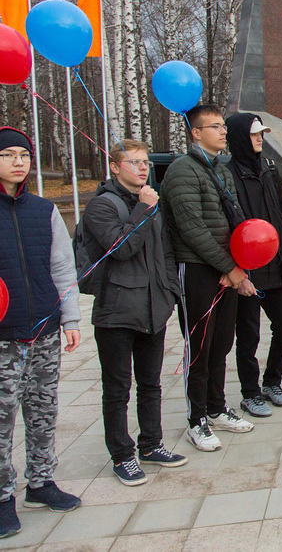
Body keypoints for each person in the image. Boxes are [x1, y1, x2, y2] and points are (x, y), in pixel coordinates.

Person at [82, 139, 187, 486]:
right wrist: (143, 209)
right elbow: (122, 249)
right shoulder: (102, 206)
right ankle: (122, 455)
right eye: (134, 162)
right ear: (115, 167)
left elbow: (166, 253)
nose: (143, 168)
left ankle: (151, 443)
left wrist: (170, 291)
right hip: (117, 312)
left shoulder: (152, 203)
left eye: (145, 162)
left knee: (151, 384)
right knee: (117, 389)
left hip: (154, 307)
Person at [0, 127, 82, 537]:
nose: (18, 161)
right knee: (1, 419)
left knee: (43, 410)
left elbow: (62, 268)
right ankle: (1, 497)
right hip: (3, 336)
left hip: (45, 329)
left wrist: (69, 319)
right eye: (9, 154)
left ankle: (41, 482)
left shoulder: (43, 211)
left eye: (24, 155)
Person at [160, 104, 254, 453]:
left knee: (221, 343)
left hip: (226, 269)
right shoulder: (183, 170)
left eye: (223, 127)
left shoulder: (221, 170)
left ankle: (216, 407)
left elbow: (232, 219)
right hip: (197, 268)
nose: (223, 132)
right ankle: (195, 419)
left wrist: (239, 267)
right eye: (214, 127)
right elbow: (192, 228)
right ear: (196, 133)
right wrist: (229, 267)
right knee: (199, 346)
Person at [225, 114, 282, 415]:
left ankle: (272, 381)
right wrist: (238, 271)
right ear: (241, 136)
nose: (259, 138)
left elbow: (280, 210)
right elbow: (230, 223)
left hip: (275, 265)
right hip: (249, 268)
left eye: (262, 134)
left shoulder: (268, 168)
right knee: (249, 336)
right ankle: (250, 392)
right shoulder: (227, 174)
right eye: (254, 134)